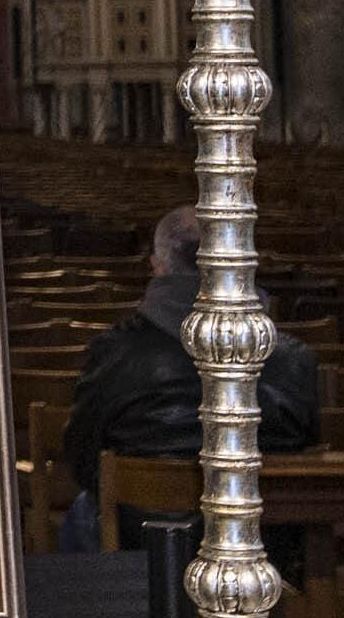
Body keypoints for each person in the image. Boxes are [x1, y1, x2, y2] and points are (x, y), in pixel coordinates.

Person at [63, 203, 328, 513]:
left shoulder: (114, 354)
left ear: (157, 266)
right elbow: (310, 461)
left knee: (84, 510)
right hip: (267, 548)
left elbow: (83, 461)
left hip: (141, 547)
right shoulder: (293, 360)